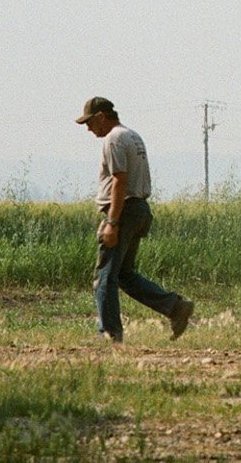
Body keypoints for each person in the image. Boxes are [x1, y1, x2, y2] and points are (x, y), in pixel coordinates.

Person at [76, 95, 194, 343]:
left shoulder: (113, 139)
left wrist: (112, 222)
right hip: (138, 209)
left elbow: (120, 180)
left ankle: (109, 334)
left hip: (124, 210)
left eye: (89, 122)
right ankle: (175, 307)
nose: (88, 128)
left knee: (105, 276)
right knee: (124, 274)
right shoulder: (132, 135)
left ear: (101, 117)